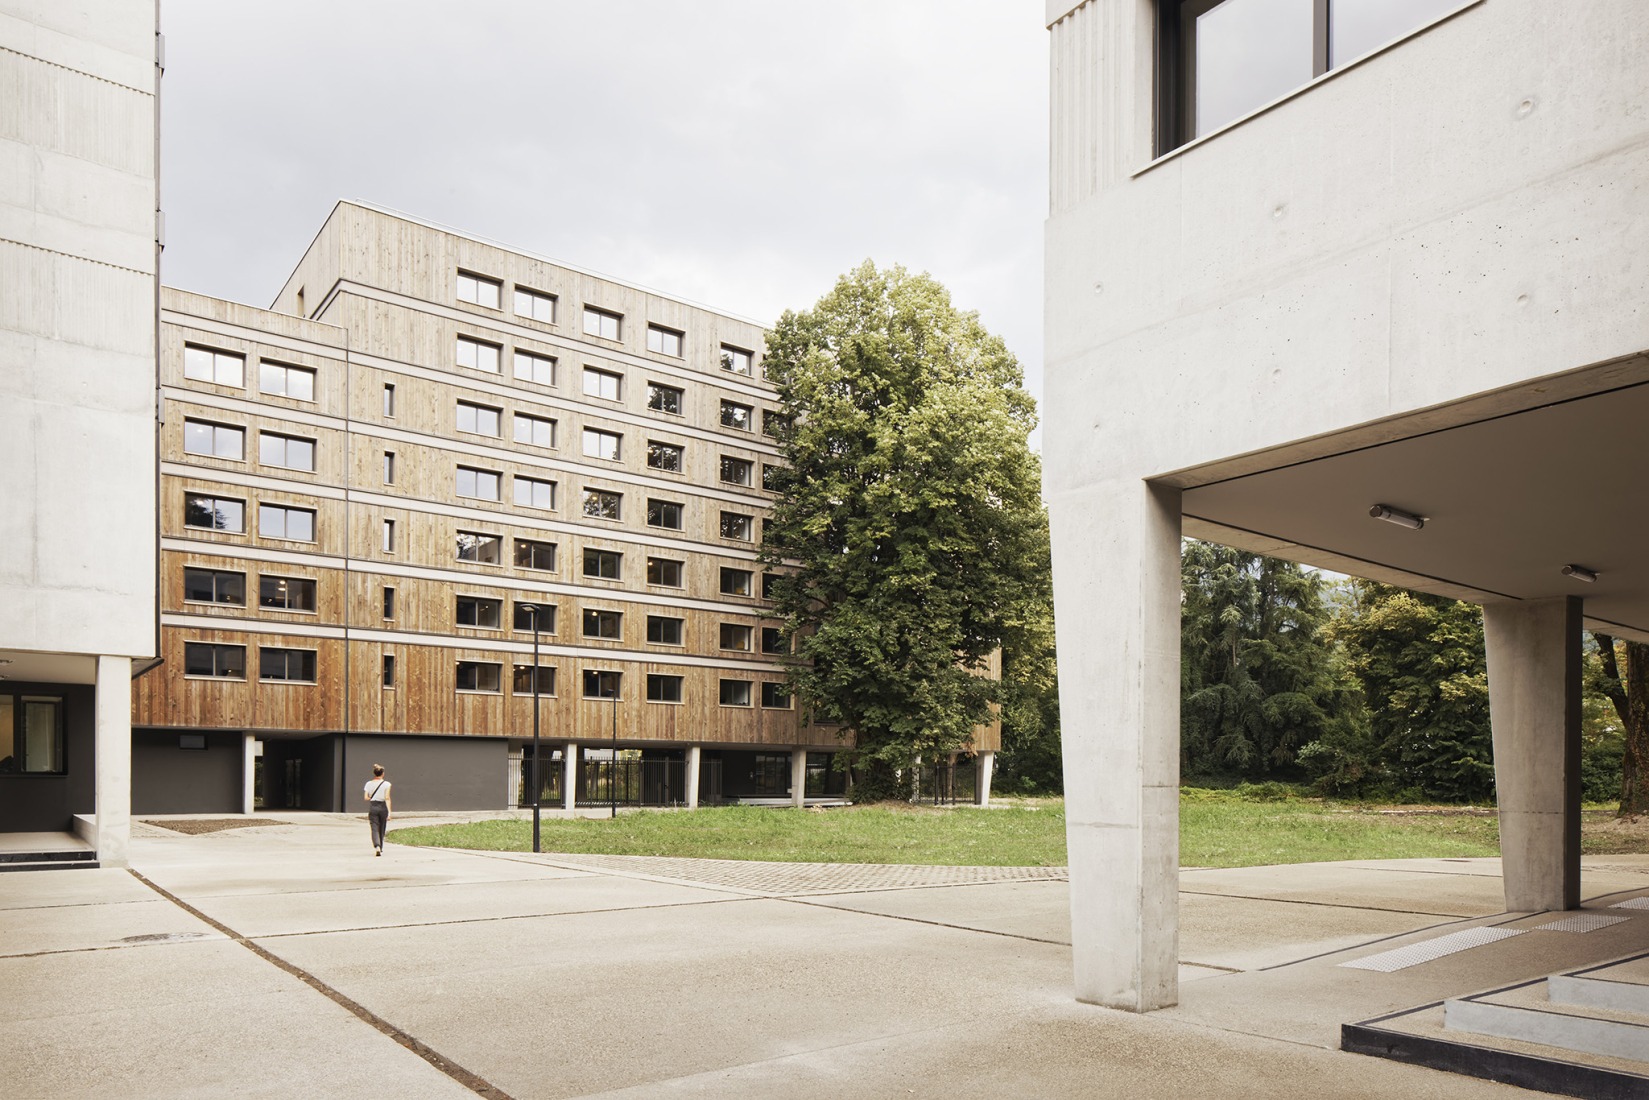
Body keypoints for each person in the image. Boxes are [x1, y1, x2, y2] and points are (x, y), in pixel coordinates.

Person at [364, 764, 392, 855]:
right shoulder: (387, 784)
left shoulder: (368, 784)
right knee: (382, 827)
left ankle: (377, 846)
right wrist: (389, 812)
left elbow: (366, 798)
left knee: (374, 828)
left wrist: (372, 797)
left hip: (373, 806)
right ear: (383, 773)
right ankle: (381, 847)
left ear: (374, 773)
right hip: (383, 807)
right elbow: (387, 798)